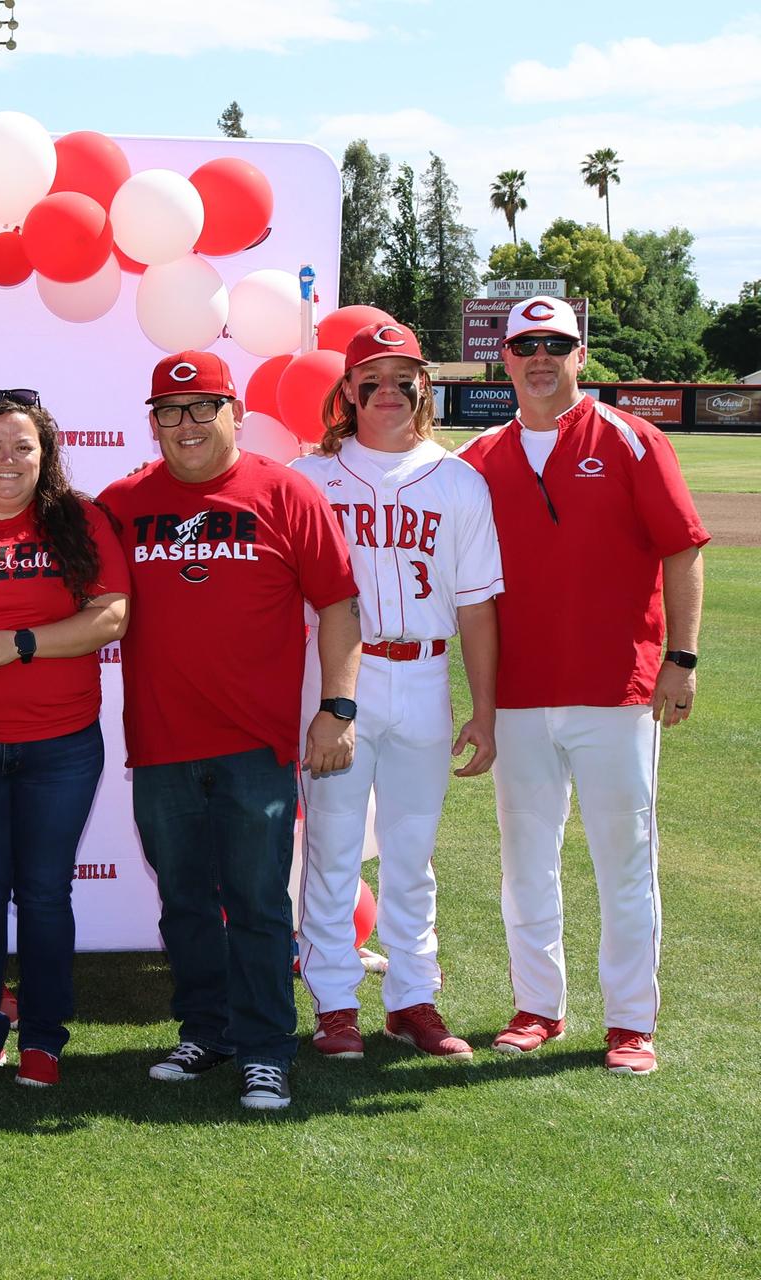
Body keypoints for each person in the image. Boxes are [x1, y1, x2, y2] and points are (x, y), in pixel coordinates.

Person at [97, 350, 360, 1112]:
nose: (186, 424)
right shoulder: (121, 502)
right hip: (161, 742)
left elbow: (340, 605)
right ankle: (206, 1030)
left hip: (256, 744)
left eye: (203, 406)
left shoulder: (285, 491)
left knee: (255, 902)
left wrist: (336, 708)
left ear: (234, 413)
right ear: (152, 422)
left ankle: (267, 1046)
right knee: (183, 900)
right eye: (170, 411)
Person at [456, 296, 708, 1075]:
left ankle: (631, 1022)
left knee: (623, 858)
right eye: (525, 344)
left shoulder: (634, 440)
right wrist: (484, 706)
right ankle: (539, 1007)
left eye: (556, 344)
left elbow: (682, 548)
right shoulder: (477, 459)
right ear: (504, 359)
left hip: (618, 689)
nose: (541, 357)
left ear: (581, 355)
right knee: (525, 857)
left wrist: (683, 657)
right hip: (521, 695)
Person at [289, 321, 502, 1063]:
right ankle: (336, 1004)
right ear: (346, 391)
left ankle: (412, 997)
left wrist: (486, 709)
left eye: (401, 378)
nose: (387, 392)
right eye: (370, 379)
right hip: (336, 681)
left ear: (424, 386)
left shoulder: (457, 479)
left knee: (413, 853)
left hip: (421, 675)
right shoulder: (307, 478)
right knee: (332, 848)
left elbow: (477, 606)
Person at [0, 389, 131, 1088]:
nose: (7, 461)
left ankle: (44, 1035)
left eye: (23, 447)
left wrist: (21, 643)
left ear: (46, 456)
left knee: (45, 894)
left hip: (61, 746)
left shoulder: (80, 520)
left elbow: (111, 618)